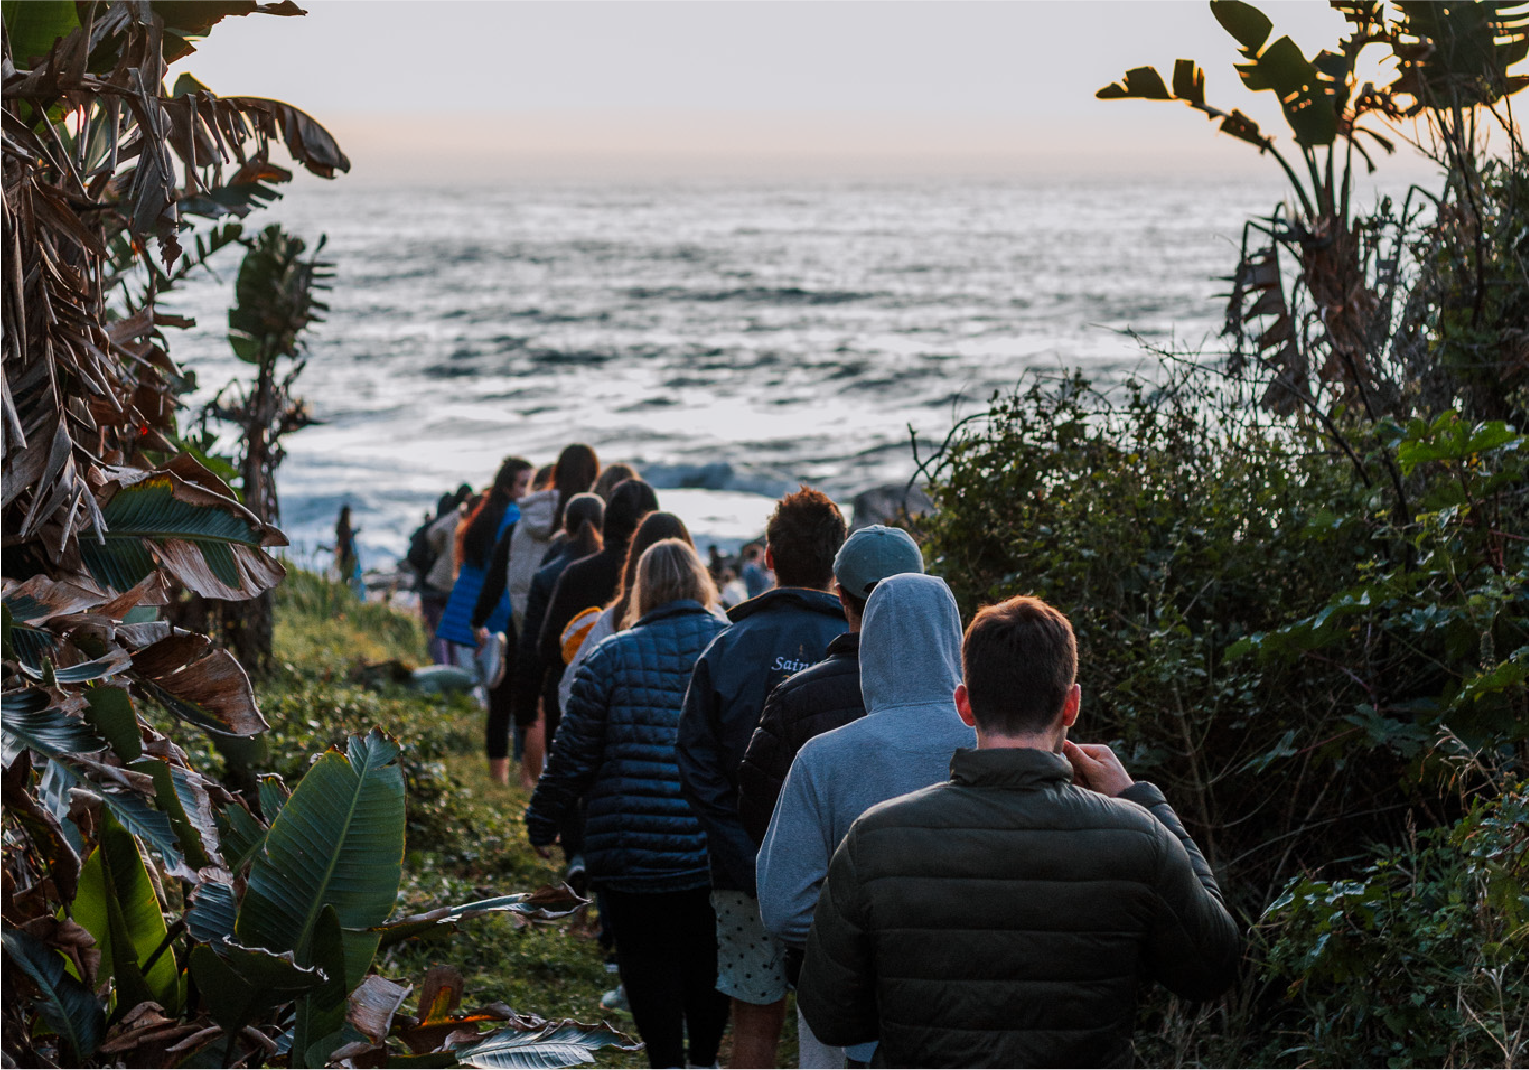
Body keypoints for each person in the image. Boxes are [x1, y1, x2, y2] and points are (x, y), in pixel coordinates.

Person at [798, 595, 1243, 1070]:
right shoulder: (1137, 839)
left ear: (965, 704)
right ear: (1071, 704)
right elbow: (1213, 965)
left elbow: (831, 1016)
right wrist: (1141, 799)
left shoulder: (875, 840)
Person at [526, 539, 731, 1070]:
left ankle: (667, 1061)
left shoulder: (609, 657)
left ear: (642, 590)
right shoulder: (731, 646)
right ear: (701, 583)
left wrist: (543, 818)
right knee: (708, 956)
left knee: (646, 960)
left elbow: (570, 756)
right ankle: (704, 1060)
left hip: (631, 851)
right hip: (712, 849)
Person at [756, 572, 974, 1070]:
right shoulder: (992, 744)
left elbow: (783, 904)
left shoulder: (824, 758)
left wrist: (866, 944)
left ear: (868, 641)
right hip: (980, 1018)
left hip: (865, 1023)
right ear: (954, 638)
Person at [676, 487, 848, 1070]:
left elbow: (695, 766)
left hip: (739, 872)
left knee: (754, 1024)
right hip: (837, 877)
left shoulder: (726, 648)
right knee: (837, 1027)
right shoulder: (859, 654)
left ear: (768, 558)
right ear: (838, 561)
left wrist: (744, 853)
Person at [737, 524, 926, 845]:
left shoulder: (793, 699)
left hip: (824, 886)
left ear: (839, 595)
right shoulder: (960, 695)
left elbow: (758, 809)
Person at [529, 479, 660, 783]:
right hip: (639, 721)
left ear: (608, 519)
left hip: (573, 709)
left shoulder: (575, 574)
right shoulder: (659, 585)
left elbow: (548, 648)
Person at [435, 457, 534, 776]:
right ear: (508, 485)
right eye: (523, 484)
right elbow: (507, 572)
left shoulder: (484, 515)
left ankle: (497, 775)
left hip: (487, 617)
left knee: (498, 699)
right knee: (522, 701)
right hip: (506, 615)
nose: (527, 491)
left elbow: (475, 573)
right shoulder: (514, 517)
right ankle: (523, 775)